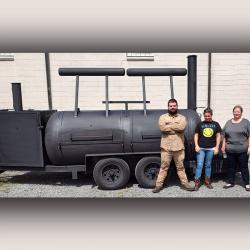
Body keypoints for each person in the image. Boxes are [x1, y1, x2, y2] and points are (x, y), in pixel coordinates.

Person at [152, 98, 195, 193]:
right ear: (168, 107)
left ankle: (185, 184)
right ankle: (158, 185)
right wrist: (175, 127)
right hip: (166, 147)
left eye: (174, 106)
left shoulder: (182, 118)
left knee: (180, 167)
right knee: (164, 167)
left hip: (179, 147)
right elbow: (162, 128)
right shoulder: (162, 117)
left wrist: (169, 126)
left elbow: (182, 127)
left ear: (177, 106)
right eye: (171, 106)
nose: (172, 107)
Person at [221, 105, 250, 191]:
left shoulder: (246, 122)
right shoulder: (228, 122)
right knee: (230, 167)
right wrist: (223, 146)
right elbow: (224, 135)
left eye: (238, 111)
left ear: (241, 113)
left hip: (243, 150)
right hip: (230, 150)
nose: (236, 113)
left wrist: (249, 148)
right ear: (233, 112)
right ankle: (230, 182)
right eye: (235, 111)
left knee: (244, 167)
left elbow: (249, 136)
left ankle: (247, 183)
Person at [193, 108, 221, 190]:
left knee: (208, 165)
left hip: (211, 149)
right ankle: (197, 182)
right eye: (205, 116)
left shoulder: (216, 124)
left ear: (211, 115)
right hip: (201, 148)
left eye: (208, 116)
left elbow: (218, 136)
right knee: (199, 165)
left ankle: (207, 181)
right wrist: (196, 145)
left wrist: (217, 147)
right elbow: (196, 135)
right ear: (204, 116)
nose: (207, 117)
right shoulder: (200, 124)